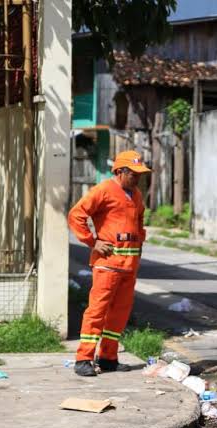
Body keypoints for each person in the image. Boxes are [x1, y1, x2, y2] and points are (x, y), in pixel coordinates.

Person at [68, 150, 151, 377]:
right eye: (133, 174)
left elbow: (140, 221)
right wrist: (92, 242)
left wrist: (140, 243)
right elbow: (76, 215)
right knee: (97, 311)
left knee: (119, 313)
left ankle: (108, 358)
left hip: (129, 265)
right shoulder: (103, 190)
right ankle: (84, 358)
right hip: (108, 264)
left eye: (139, 175)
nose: (137, 179)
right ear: (120, 171)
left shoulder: (136, 195)